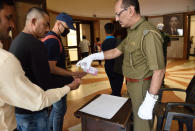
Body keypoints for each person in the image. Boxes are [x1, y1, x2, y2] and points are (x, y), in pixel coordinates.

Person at [76, 0, 165, 131]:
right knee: (132, 120)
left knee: (142, 126)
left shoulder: (148, 33)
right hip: (131, 84)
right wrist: (93, 56)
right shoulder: (132, 31)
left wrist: (149, 100)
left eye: (118, 14)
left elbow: (159, 70)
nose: (116, 18)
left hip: (142, 87)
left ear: (130, 10)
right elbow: (115, 51)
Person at [0, 1, 80, 131]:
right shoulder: (36, 45)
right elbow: (45, 82)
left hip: (19, 109)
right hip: (33, 111)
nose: (48, 29)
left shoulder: (16, 40)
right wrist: (71, 82)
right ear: (33, 22)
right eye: (45, 24)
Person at [42, 12, 86, 131]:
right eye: (67, 28)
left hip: (55, 82)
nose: (68, 31)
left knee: (58, 110)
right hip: (56, 84)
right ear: (58, 24)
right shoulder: (53, 41)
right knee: (59, 111)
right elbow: (51, 67)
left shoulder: (52, 37)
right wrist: (73, 74)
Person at [101, 23, 124, 96]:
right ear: (114, 31)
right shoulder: (118, 41)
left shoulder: (103, 43)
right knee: (118, 86)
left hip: (108, 66)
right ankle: (116, 95)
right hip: (118, 67)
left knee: (113, 83)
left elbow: (104, 55)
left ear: (105, 31)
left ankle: (114, 93)